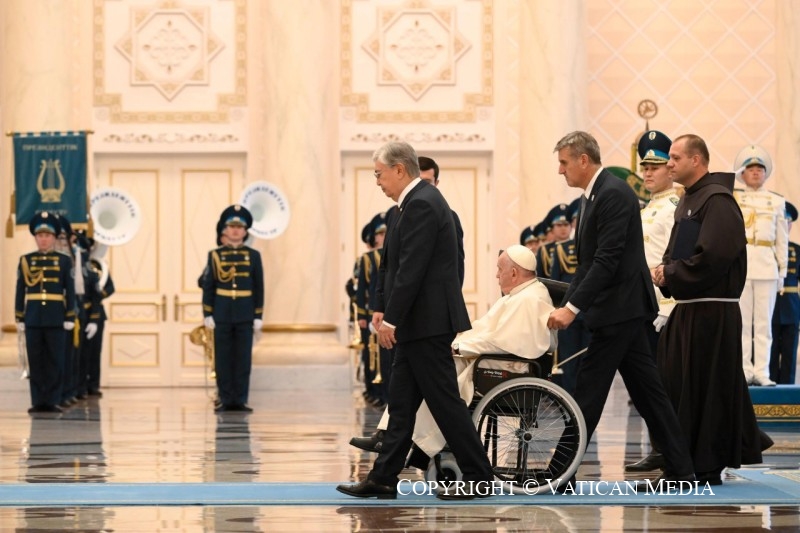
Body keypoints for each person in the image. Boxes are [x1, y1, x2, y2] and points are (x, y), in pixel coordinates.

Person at [337, 141, 494, 500]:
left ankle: (479, 476)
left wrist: (391, 320)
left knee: (444, 403)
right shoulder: (407, 205)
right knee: (402, 404)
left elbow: (413, 269)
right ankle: (383, 477)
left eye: (379, 174)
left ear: (399, 169)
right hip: (418, 323)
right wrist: (383, 308)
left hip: (427, 323)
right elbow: (391, 265)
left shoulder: (423, 203)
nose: (377, 181)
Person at [546, 131, 694, 486]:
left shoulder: (612, 193)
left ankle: (560, 471)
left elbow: (607, 260)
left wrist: (572, 309)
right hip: (620, 310)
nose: (561, 170)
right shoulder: (593, 195)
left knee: (589, 390)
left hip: (620, 310)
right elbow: (586, 265)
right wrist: (565, 305)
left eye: (564, 163)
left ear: (583, 160)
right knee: (648, 393)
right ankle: (681, 467)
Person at [349, 245, 555, 463]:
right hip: (492, 359)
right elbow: (486, 331)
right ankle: (392, 435)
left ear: (513, 273)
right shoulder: (519, 295)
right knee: (425, 366)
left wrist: (458, 347)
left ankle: (404, 440)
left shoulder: (528, 299)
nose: (496, 275)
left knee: (433, 371)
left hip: (503, 365)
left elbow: (503, 341)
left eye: (499, 269)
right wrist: (456, 340)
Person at [653, 134, 773, 485]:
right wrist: (664, 270)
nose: (669, 163)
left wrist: (671, 273)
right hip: (688, 310)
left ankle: (705, 466)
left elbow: (715, 257)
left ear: (696, 160)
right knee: (679, 386)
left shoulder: (718, 201)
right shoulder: (688, 199)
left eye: (675, 157)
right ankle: (681, 462)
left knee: (706, 392)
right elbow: (676, 250)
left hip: (712, 315)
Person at [625, 130, 681, 473]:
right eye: (644, 167)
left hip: (664, 309)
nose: (647, 173)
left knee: (664, 385)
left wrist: (666, 308)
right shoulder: (648, 208)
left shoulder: (674, 207)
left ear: (670, 169)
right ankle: (659, 447)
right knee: (650, 386)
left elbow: (674, 259)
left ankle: (669, 450)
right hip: (645, 306)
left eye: (655, 167)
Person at [733, 145, 788, 386]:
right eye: (751, 168)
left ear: (766, 174)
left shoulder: (776, 202)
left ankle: (762, 372)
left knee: (764, 324)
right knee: (743, 323)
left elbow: (781, 240)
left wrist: (782, 271)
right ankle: (745, 370)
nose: (755, 172)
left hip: (767, 266)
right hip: (743, 266)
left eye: (760, 169)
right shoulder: (735, 199)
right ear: (742, 173)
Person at [202, 205, 264, 413]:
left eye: (240, 227)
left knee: (243, 359)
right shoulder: (215, 255)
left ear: (245, 231)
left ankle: (240, 399)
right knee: (223, 359)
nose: (236, 231)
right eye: (232, 227)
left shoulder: (253, 256)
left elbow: (259, 287)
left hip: (245, 313)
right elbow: (209, 286)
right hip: (222, 313)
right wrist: (208, 313)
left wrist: (258, 315)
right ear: (225, 230)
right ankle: (225, 399)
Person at [15, 212, 77, 413]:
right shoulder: (26, 260)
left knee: (55, 360)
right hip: (33, 317)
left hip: (55, 317)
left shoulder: (64, 261)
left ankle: (53, 400)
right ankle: (37, 401)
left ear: (53, 238)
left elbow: (70, 290)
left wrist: (69, 315)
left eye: (47, 236)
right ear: (35, 238)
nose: (43, 239)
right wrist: (19, 315)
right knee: (36, 360)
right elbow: (20, 290)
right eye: (40, 236)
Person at [537, 203, 587, 395]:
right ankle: (568, 399)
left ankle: (583, 400)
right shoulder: (560, 250)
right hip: (568, 312)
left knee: (588, 361)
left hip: (589, 313)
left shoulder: (592, 245)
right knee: (568, 360)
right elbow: (554, 283)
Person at [356, 213, 388, 407]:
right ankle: (375, 391)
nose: (383, 237)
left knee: (386, 358)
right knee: (372, 357)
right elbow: (361, 289)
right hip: (373, 314)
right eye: (380, 234)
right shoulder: (368, 258)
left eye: (386, 233)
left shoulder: (392, 254)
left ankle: (385, 394)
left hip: (388, 315)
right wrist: (362, 314)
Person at [770, 201, 799, 384]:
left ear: (789, 226)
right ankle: (769, 392)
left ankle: (787, 393)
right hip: (770, 307)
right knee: (769, 354)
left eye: (786, 222)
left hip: (792, 308)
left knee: (789, 354)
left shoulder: (797, 250)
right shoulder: (767, 249)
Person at [85, 237, 115, 397]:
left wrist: (98, 295)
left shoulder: (100, 266)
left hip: (97, 313)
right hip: (82, 311)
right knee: (80, 352)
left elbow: (111, 287)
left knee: (95, 351)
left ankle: (93, 384)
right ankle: (80, 385)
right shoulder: (76, 264)